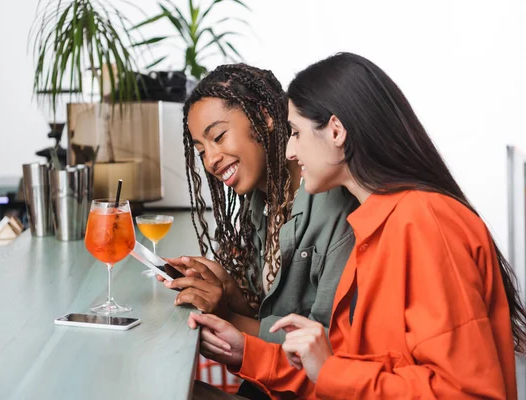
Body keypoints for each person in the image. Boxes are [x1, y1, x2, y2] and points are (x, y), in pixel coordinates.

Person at [188, 52, 526, 399]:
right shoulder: (373, 228)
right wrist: (247, 352)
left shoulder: (425, 223)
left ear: (336, 131)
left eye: (296, 133)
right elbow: (338, 372)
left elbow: (468, 393)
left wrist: (328, 368)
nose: (288, 151)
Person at [160, 64, 358, 398]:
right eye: (201, 150)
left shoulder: (336, 206)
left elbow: (327, 351)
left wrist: (227, 316)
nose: (210, 160)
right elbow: (267, 312)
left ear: (264, 115)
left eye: (218, 137)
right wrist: (227, 288)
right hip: (265, 385)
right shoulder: (259, 201)